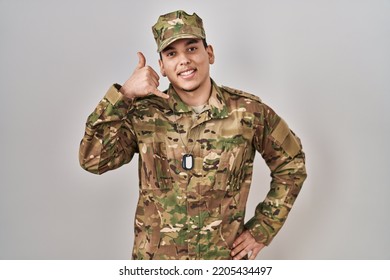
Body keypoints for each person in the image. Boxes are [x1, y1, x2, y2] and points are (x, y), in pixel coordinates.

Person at [79, 10, 307, 260]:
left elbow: (292, 163)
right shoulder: (143, 114)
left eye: (191, 48)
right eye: (171, 53)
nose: (184, 60)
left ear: (209, 53)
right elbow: (93, 160)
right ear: (162, 67)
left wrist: (262, 229)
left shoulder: (248, 112)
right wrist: (123, 95)